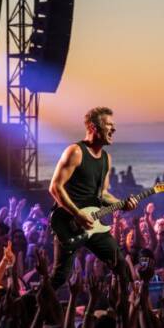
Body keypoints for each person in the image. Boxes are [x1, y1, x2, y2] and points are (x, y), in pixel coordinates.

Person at [48, 106, 138, 288]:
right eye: (108, 125)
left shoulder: (106, 158)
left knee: (121, 266)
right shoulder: (75, 152)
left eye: (114, 125)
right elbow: (55, 187)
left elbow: (102, 193)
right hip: (69, 224)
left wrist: (123, 204)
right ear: (92, 127)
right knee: (59, 278)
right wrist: (77, 214)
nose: (113, 129)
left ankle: (123, 311)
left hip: (93, 224)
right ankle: (26, 309)